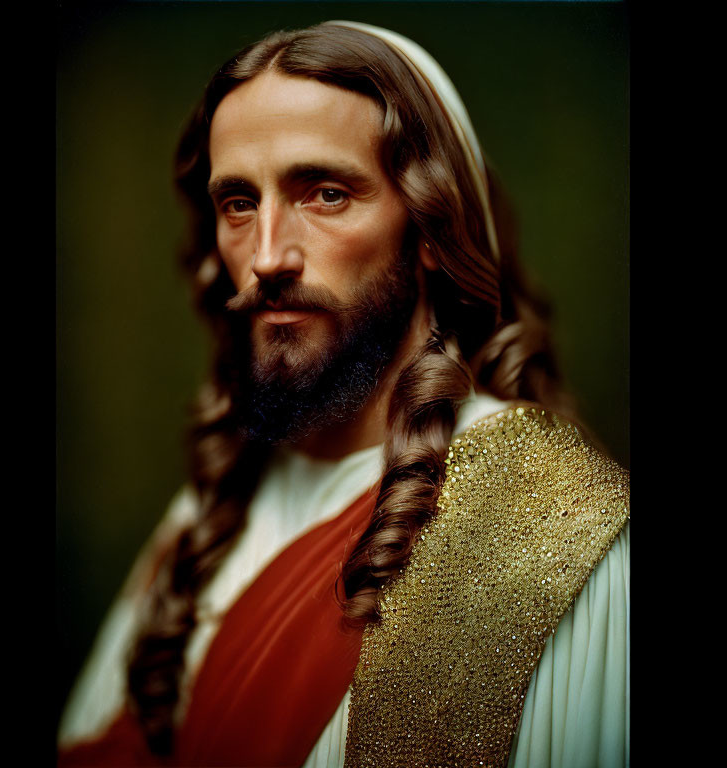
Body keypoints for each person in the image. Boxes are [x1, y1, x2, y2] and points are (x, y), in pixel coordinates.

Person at [58, 20, 629, 768]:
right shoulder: (209, 513)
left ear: (429, 227)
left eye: (325, 193)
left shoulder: (547, 523)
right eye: (237, 204)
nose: (266, 256)